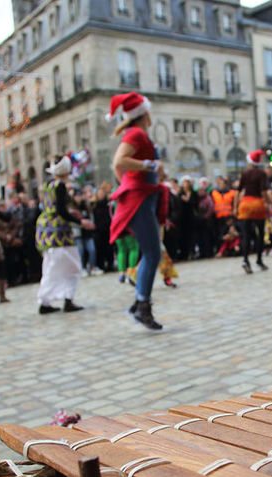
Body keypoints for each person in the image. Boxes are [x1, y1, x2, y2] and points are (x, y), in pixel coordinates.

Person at [108, 91, 167, 331]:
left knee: (151, 252)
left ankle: (140, 302)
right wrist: (149, 166)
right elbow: (118, 162)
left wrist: (148, 172)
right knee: (152, 253)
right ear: (144, 113)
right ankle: (143, 306)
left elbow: (121, 169)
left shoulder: (140, 134)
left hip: (145, 196)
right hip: (140, 198)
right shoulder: (135, 133)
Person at [36, 156, 87, 314]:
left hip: (46, 229)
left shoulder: (47, 185)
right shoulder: (59, 186)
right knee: (71, 265)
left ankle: (49, 300)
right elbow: (61, 211)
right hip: (58, 232)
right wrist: (80, 222)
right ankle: (65, 299)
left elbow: (53, 207)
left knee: (52, 266)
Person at [235, 149, 272, 274]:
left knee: (245, 235)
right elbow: (263, 192)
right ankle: (259, 260)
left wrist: (235, 207)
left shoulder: (244, 174)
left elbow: (238, 191)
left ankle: (245, 260)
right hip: (257, 204)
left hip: (245, 205)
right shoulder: (261, 174)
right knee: (260, 234)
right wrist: (268, 202)